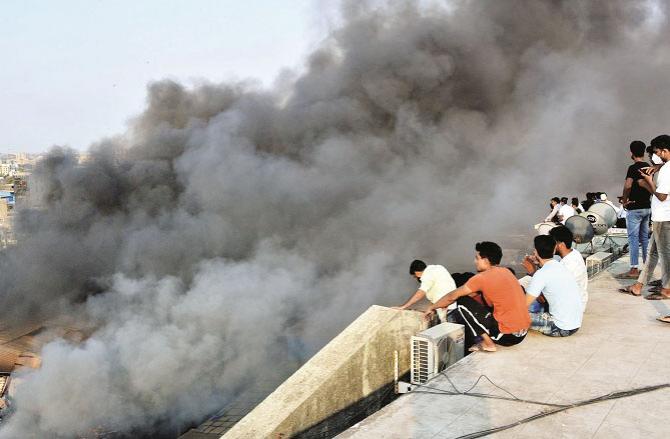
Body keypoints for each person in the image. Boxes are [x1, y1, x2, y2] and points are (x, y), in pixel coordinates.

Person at [423, 242, 530, 352]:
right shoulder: (506, 272)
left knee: (462, 302)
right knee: (473, 301)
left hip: (507, 337)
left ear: (485, 260)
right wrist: (446, 303)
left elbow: (452, 296)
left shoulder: (481, 278)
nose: (475, 261)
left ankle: (488, 344)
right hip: (522, 333)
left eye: (477, 258)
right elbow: (473, 294)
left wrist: (432, 307)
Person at [525, 235, 583, 337]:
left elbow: (524, 304)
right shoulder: (561, 266)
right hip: (575, 324)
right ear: (554, 250)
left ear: (535, 252)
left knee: (516, 315)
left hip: (559, 327)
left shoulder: (541, 274)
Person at [639, 134, 670, 302]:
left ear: (665, 151)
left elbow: (662, 196)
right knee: (654, 253)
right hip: (662, 217)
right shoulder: (665, 167)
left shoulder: (667, 169)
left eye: (657, 152)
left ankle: (667, 289)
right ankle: (639, 285)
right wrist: (657, 168)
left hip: (664, 217)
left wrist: (648, 183)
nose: (655, 155)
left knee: (664, 256)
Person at [619, 140, 652, 278]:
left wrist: (625, 200)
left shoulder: (632, 168)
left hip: (635, 208)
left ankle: (633, 269)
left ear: (631, 153)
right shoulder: (649, 167)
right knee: (644, 238)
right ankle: (646, 268)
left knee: (633, 239)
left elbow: (628, 186)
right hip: (647, 207)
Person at [548, 226, 588, 311]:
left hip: (569, 310)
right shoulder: (574, 253)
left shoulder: (570, 265)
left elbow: (552, 292)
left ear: (561, 245)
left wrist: (533, 271)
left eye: (552, 243)